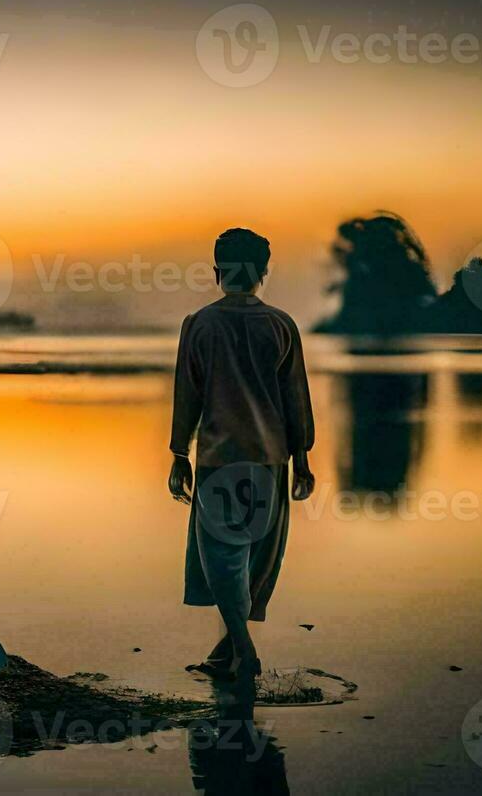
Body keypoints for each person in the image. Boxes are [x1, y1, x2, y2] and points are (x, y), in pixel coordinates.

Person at [168, 228, 315, 681]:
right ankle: (227, 652)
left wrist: (179, 454)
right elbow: (296, 398)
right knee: (255, 559)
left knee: (223, 560)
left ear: (217, 273)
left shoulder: (201, 325)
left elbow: (187, 396)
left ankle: (244, 654)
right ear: (262, 274)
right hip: (270, 458)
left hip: (219, 459)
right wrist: (303, 460)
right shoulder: (280, 325)